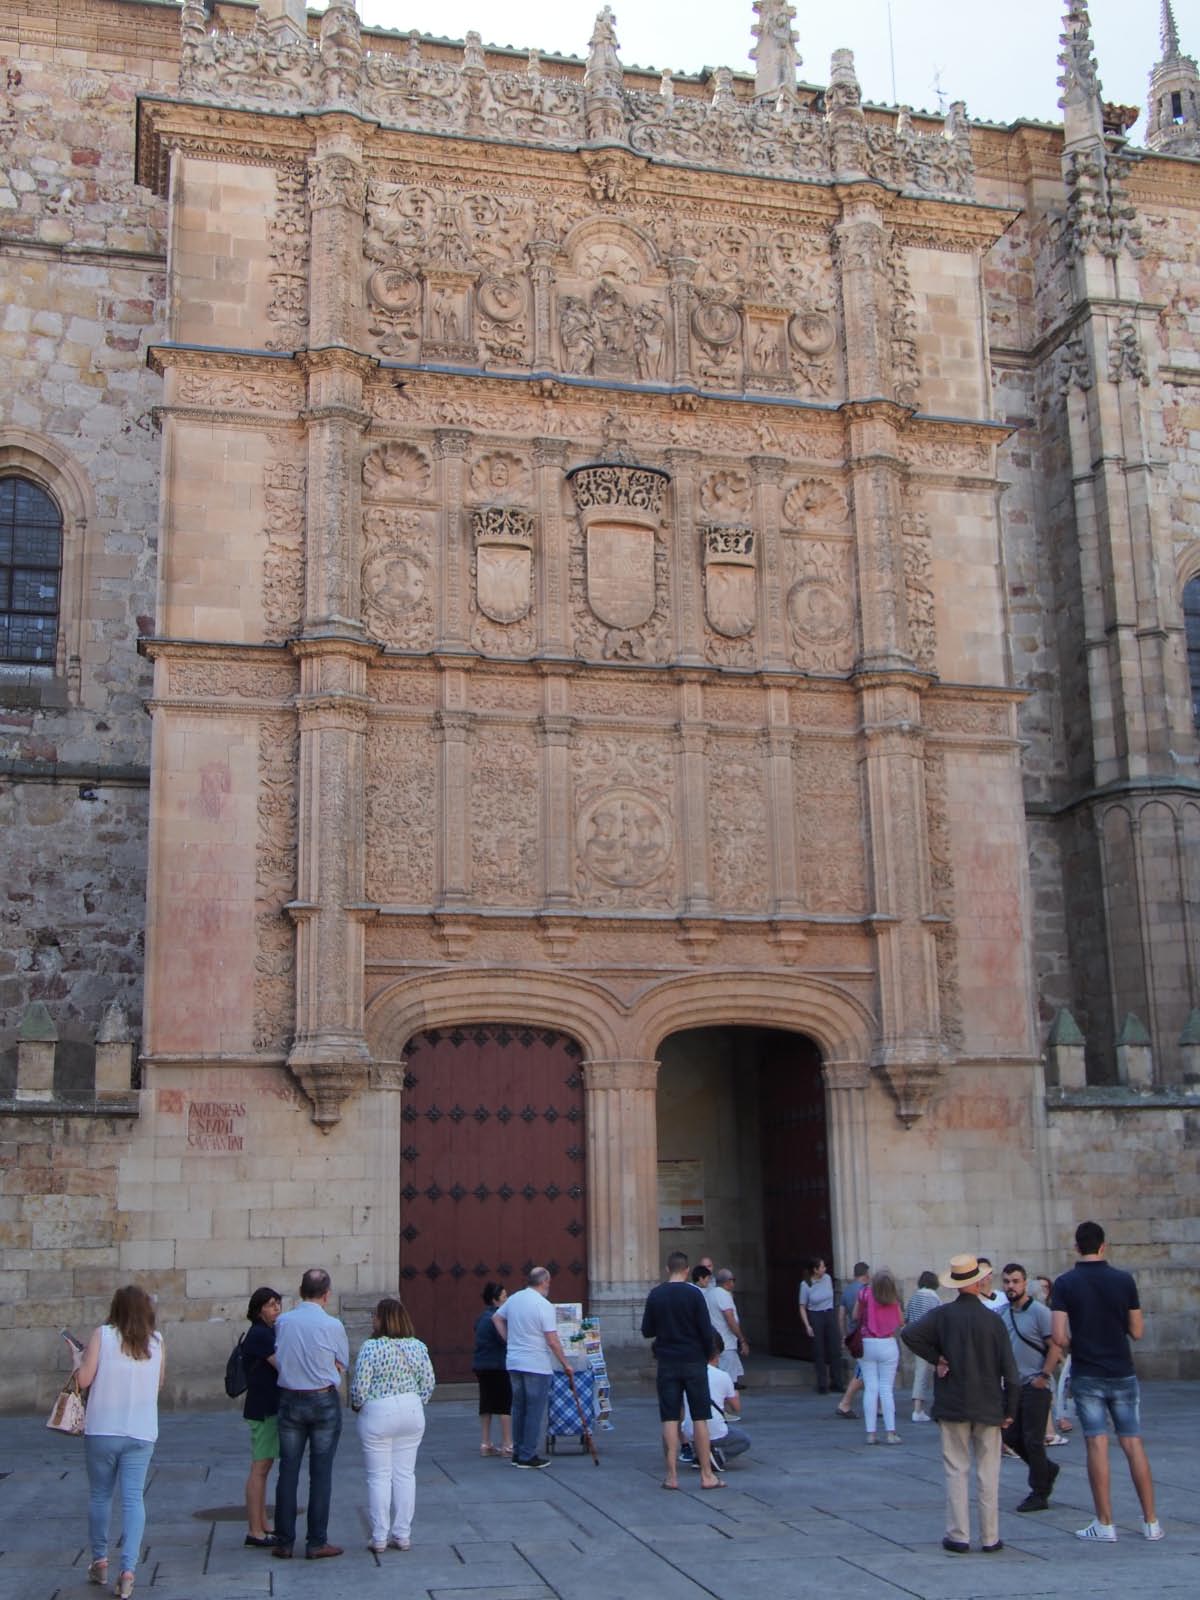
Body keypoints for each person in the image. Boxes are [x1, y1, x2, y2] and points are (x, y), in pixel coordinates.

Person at [1051, 1220, 1163, 1542]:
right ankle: (1151, 1522)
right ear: (1103, 1246)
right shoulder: (1123, 1280)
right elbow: (1138, 1331)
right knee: (1133, 1443)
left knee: (1096, 1444)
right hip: (1122, 1371)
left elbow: (1058, 1336)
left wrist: (1080, 1341)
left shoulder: (1065, 1283)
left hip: (1088, 1372)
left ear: (1077, 1247)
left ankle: (1105, 1523)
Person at [901, 1252, 1020, 1555]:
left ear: (955, 1284)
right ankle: (991, 1536)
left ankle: (959, 1534)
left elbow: (910, 1334)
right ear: (978, 1282)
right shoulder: (993, 1321)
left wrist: (937, 1357)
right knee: (988, 1471)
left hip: (954, 1401)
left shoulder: (942, 1316)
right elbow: (1011, 1370)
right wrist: (1011, 1409)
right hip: (988, 1403)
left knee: (956, 1469)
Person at [74, 1285, 164, 1600]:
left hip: (102, 1428)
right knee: (133, 1500)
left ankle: (100, 1561)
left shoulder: (103, 1335)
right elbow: (158, 1385)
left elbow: (83, 1380)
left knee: (100, 1496)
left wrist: (79, 1357)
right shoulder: (157, 1341)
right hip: (140, 1431)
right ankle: (128, 1572)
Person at [271, 1267, 349, 1561]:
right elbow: (342, 1361)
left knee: (288, 1470)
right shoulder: (333, 1325)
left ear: (300, 1291)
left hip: (290, 1399)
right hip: (322, 1399)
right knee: (321, 1473)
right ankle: (316, 1541)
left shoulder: (284, 1322)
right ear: (327, 1294)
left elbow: (280, 1353)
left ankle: (284, 1540)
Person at [350, 1297, 435, 1554]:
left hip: (379, 1411)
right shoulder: (418, 1347)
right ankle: (403, 1534)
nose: (372, 1320)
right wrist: (414, 1400)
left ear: (382, 1320)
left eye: (375, 1316)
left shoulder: (371, 1347)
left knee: (379, 1476)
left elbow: (360, 1386)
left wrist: (358, 1404)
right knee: (405, 1474)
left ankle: (379, 1536)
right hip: (411, 1409)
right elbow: (429, 1382)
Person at [641, 1250, 724, 1491]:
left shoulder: (656, 1294)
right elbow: (705, 1329)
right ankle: (707, 1475)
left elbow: (647, 1330)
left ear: (667, 1269)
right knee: (700, 1416)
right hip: (694, 1361)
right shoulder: (695, 1294)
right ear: (687, 1270)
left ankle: (671, 1475)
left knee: (669, 1417)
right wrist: (709, 1354)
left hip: (667, 1361)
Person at [492, 1265, 571, 1469]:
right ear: (544, 1282)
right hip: (536, 1363)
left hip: (515, 1361)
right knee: (534, 1410)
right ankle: (527, 1454)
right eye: (548, 1282)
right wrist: (566, 1363)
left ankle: (518, 1452)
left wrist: (509, 1340)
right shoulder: (543, 1305)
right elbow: (552, 1340)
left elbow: (497, 1318)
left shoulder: (515, 1299)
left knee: (519, 1408)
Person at [999, 1263, 1062, 1512]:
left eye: (1015, 1281)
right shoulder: (1004, 1314)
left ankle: (1039, 1491)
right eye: (1006, 1281)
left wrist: (1044, 1375)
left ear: (1024, 1283)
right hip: (1013, 1385)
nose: (1011, 1286)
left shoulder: (1039, 1312)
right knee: (1011, 1435)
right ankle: (1047, 1470)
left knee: (1033, 1439)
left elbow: (1055, 1345)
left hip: (1035, 1383)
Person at [241, 1286, 282, 1548]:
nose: (276, 1308)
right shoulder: (260, 1335)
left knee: (264, 1467)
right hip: (263, 1408)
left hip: (266, 1406)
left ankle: (262, 1523)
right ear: (258, 1310)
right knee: (260, 1467)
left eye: (277, 1303)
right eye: (269, 1305)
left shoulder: (267, 1333)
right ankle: (255, 1530)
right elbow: (282, 1365)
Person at [681, 1332, 751, 1469]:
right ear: (718, 1354)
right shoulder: (723, 1376)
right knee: (743, 1440)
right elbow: (736, 1407)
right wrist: (734, 1392)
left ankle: (699, 1454)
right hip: (713, 1430)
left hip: (689, 1430)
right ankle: (717, 1456)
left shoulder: (687, 1373)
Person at [858, 1268, 904, 1444]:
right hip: (888, 1343)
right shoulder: (893, 1298)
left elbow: (855, 1315)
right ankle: (891, 1432)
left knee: (870, 1387)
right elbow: (900, 1321)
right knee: (886, 1389)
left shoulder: (865, 1294)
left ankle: (871, 1433)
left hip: (867, 1343)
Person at [473, 1282, 512, 1457]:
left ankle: (485, 1442)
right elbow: (504, 1339)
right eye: (504, 1297)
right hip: (498, 1365)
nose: (507, 1300)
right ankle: (507, 1444)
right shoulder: (497, 1318)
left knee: (486, 1404)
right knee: (504, 1405)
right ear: (495, 1300)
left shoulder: (482, 1317)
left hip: (481, 1364)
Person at [799, 1257, 840, 1395]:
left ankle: (837, 1382)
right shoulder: (806, 1285)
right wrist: (807, 1325)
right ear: (815, 1270)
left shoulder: (827, 1278)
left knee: (835, 1347)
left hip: (829, 1313)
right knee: (819, 1350)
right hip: (815, 1315)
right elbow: (802, 1306)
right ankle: (822, 1384)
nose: (825, 1269)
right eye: (822, 1267)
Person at [905, 1270, 941, 1422]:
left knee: (921, 1372)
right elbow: (937, 1320)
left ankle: (920, 1408)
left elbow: (906, 1318)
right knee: (923, 1374)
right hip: (928, 1341)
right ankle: (917, 1409)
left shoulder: (914, 1297)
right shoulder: (934, 1298)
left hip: (914, 1339)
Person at [836, 1260, 869, 1418]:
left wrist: (843, 1334)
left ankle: (878, 1406)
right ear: (865, 1275)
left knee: (867, 1370)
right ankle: (845, 1403)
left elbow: (841, 1316)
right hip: (863, 1335)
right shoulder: (864, 1291)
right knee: (862, 1370)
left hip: (852, 1335)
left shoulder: (846, 1290)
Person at [706, 1267, 749, 1382]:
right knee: (729, 1382)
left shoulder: (710, 1294)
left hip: (716, 1342)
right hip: (727, 1344)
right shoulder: (724, 1295)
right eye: (733, 1280)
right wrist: (742, 1340)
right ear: (728, 1281)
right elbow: (730, 1319)